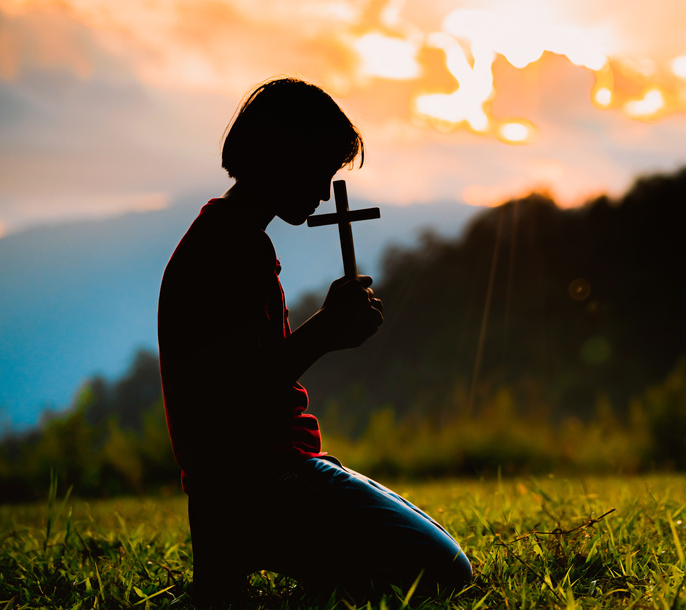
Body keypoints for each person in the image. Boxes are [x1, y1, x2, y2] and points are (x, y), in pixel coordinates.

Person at [157, 77, 472, 604]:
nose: (326, 193)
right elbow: (232, 396)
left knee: (430, 547)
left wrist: (327, 331)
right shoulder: (227, 250)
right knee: (446, 571)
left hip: (258, 479)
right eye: (318, 172)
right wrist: (324, 332)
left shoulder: (234, 238)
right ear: (280, 157)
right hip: (262, 484)